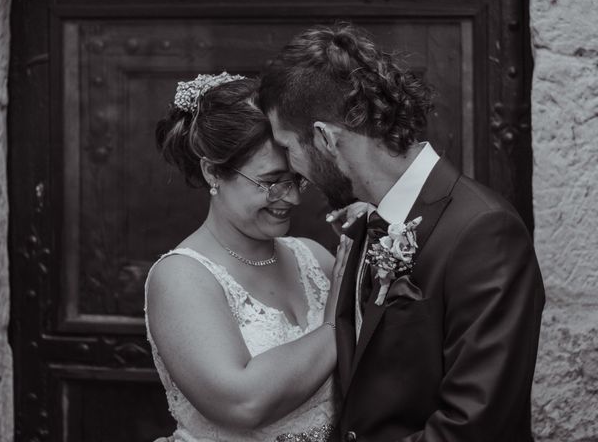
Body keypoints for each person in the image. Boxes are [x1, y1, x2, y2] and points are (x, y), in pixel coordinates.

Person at [258, 23, 546, 442]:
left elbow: (473, 428)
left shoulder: (483, 231)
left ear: (324, 138)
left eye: (288, 147)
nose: (292, 172)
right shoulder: (366, 224)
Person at [145, 73, 352, 442]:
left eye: (296, 179)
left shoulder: (315, 258)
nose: (290, 198)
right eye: (271, 182)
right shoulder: (181, 277)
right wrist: (337, 323)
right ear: (213, 172)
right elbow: (243, 403)